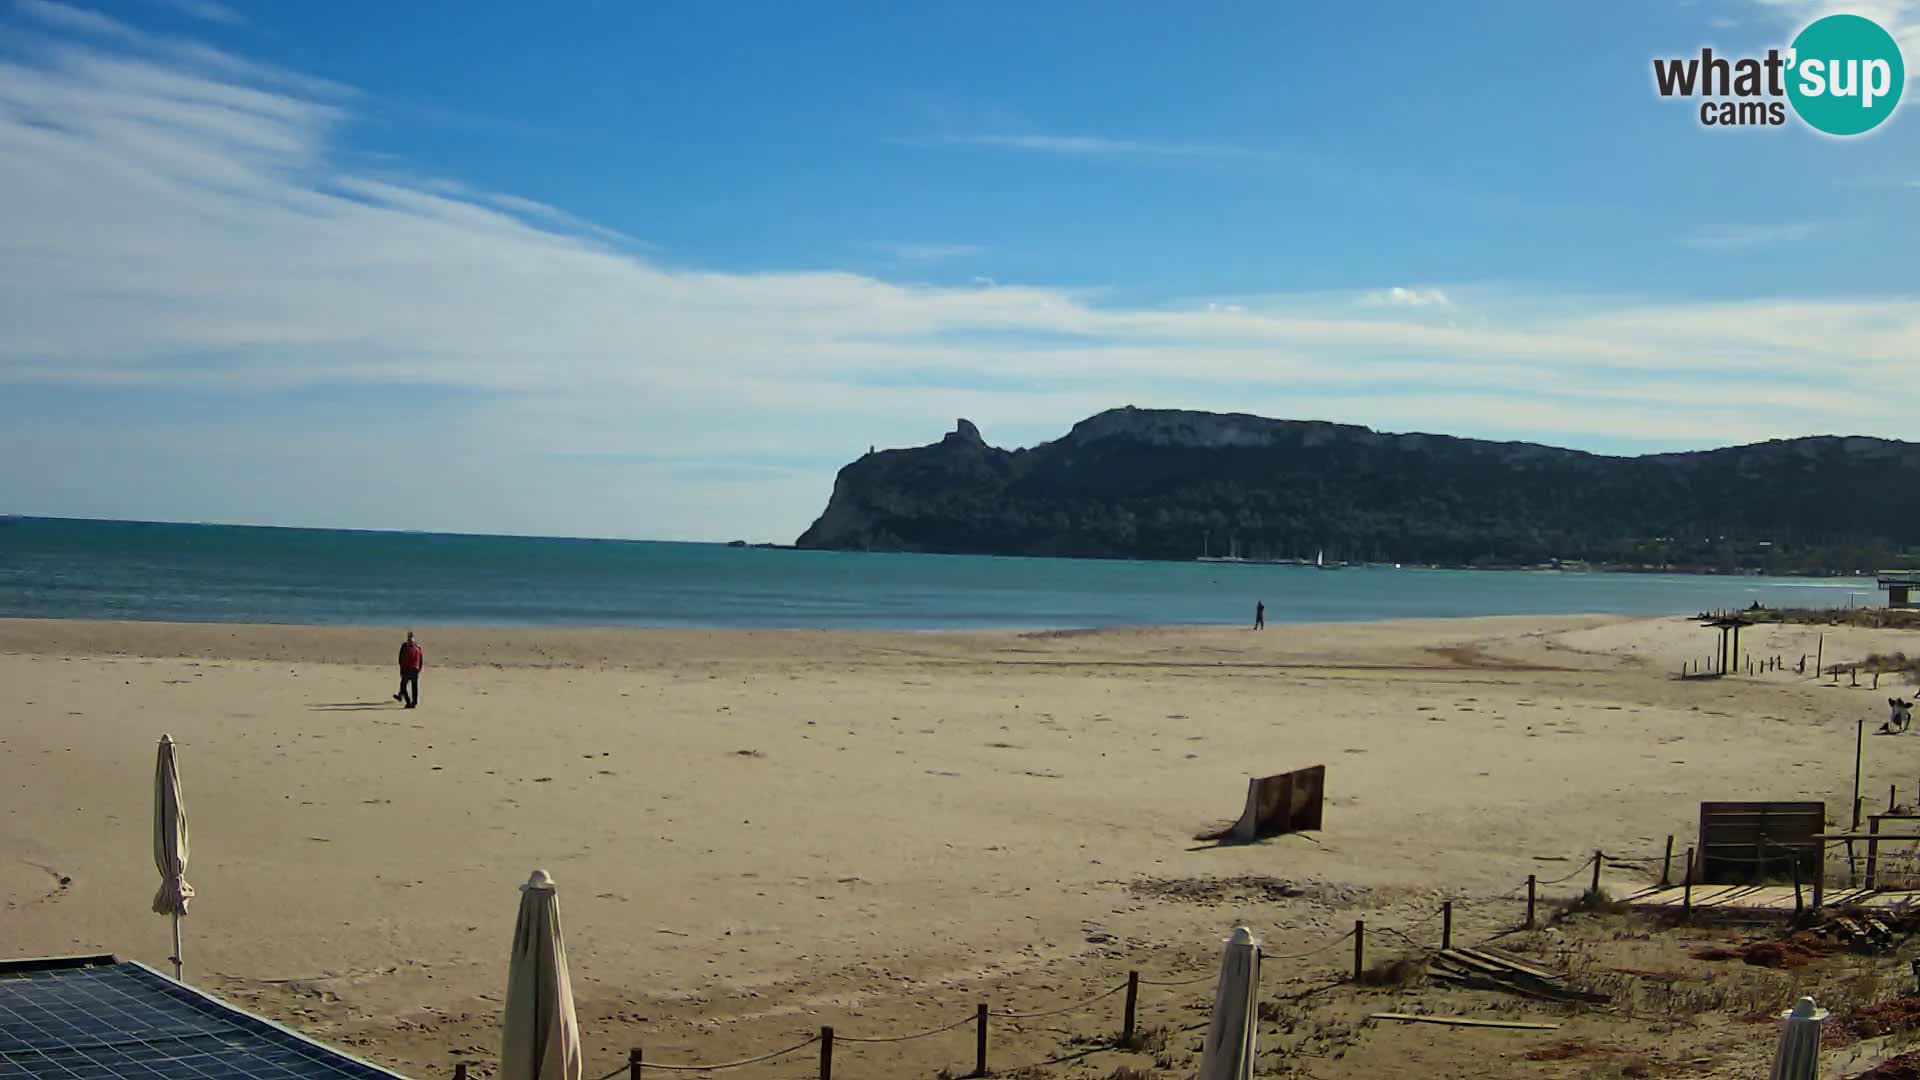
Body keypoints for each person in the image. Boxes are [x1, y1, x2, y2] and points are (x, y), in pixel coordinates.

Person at [395, 631, 424, 708]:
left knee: (407, 686)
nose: (410, 640)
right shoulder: (407, 646)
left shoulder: (415, 647)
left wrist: (419, 669)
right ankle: (410, 701)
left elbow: (420, 660)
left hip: (411, 669)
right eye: (409, 638)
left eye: (411, 638)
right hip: (409, 669)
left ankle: (411, 702)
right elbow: (401, 659)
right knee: (406, 686)